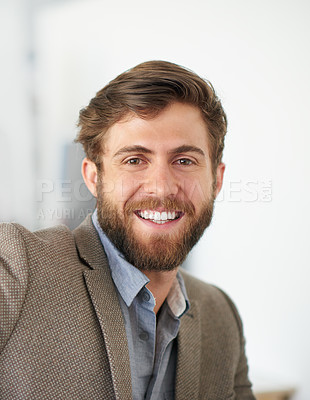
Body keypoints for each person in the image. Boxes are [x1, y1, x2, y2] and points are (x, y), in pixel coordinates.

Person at [0, 61, 255, 399]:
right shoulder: (18, 265)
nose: (161, 188)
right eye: (135, 160)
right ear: (94, 178)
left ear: (216, 179)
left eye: (184, 161)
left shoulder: (220, 315)